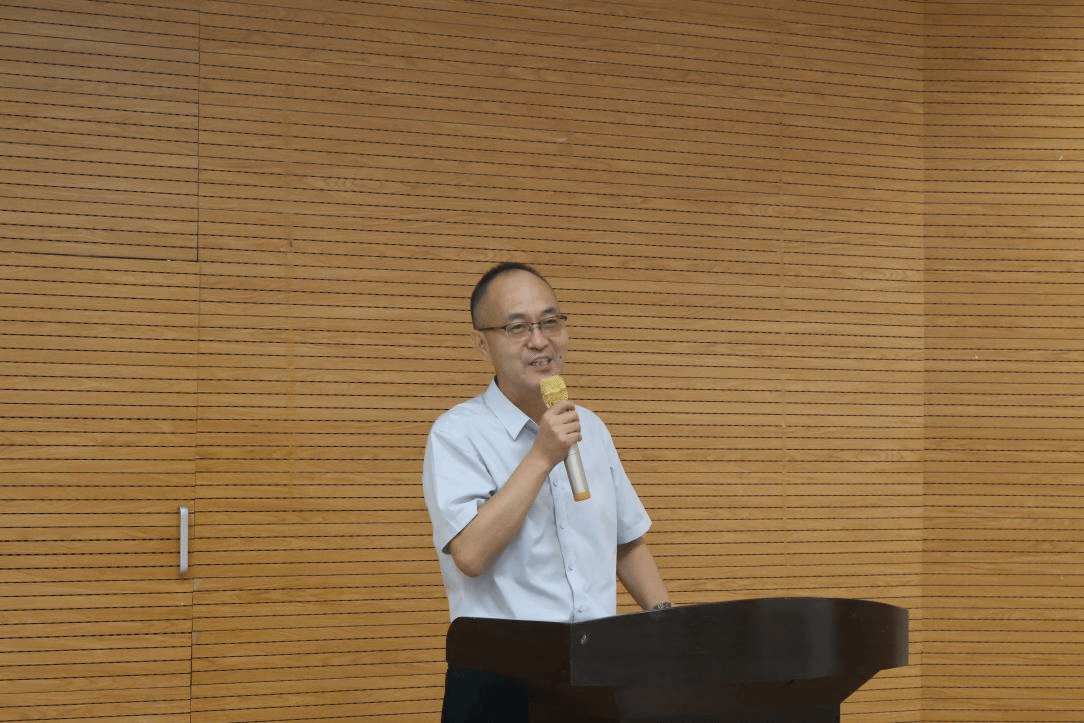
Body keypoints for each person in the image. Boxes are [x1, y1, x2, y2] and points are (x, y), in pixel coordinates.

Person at [422, 262, 671, 722]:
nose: (540, 341)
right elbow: (470, 556)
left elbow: (627, 541)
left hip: (595, 670)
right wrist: (541, 456)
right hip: (500, 678)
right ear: (482, 343)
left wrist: (670, 624)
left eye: (550, 322)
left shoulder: (591, 428)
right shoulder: (457, 433)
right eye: (518, 328)